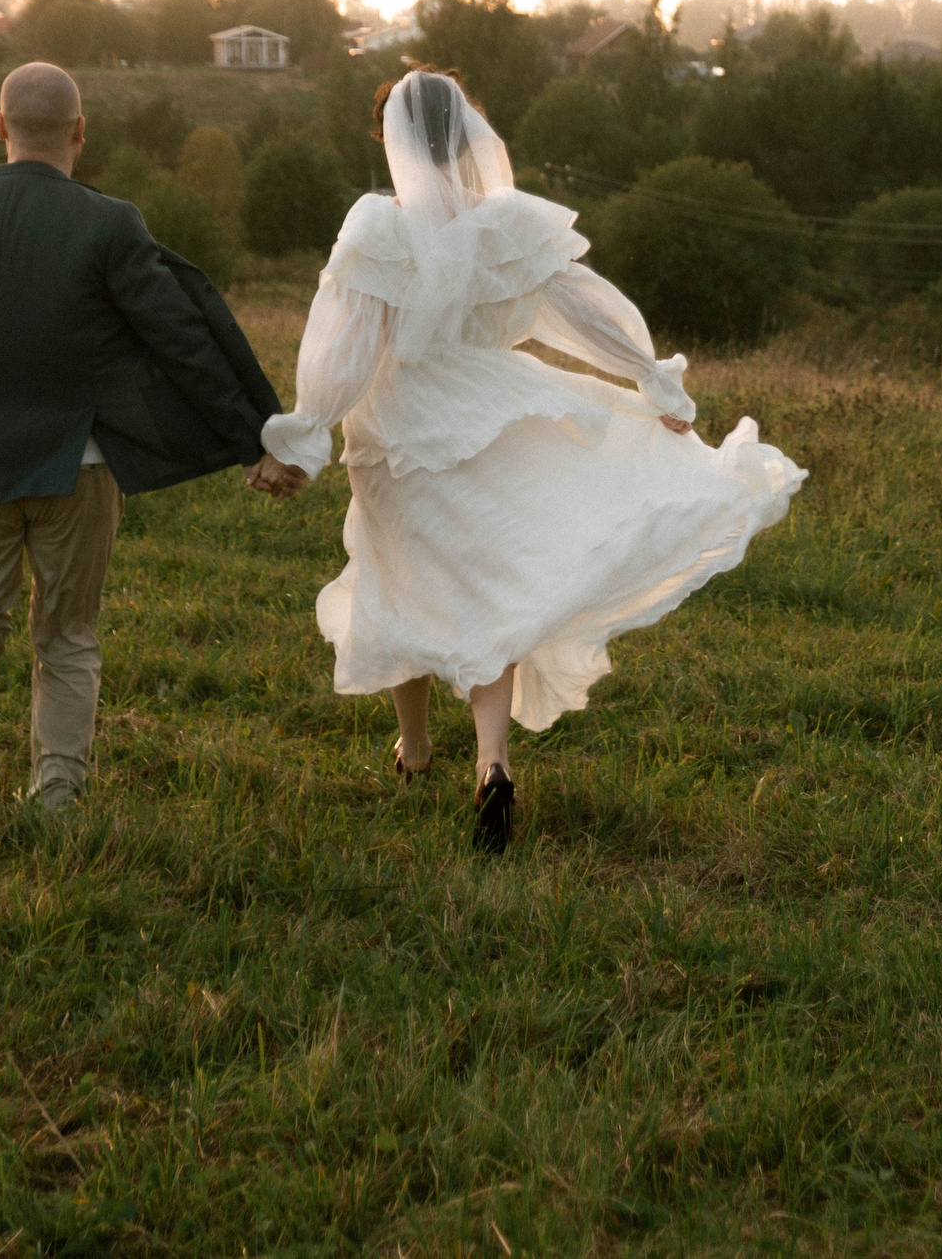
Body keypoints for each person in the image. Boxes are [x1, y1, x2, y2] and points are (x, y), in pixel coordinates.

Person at [259, 66, 804, 852]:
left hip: (401, 428)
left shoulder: (377, 226)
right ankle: (492, 759)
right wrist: (651, 378)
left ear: (389, 137)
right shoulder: (502, 221)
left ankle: (415, 750)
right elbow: (582, 309)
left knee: (393, 572)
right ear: (467, 128)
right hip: (488, 410)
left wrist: (305, 435)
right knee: (488, 585)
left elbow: (342, 347)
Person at [0, 61, 305, 811]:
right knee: (66, 633)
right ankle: (57, 793)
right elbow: (184, 341)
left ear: (1, 126)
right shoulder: (110, 223)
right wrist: (252, 438)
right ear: (80, 131)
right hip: (81, 463)